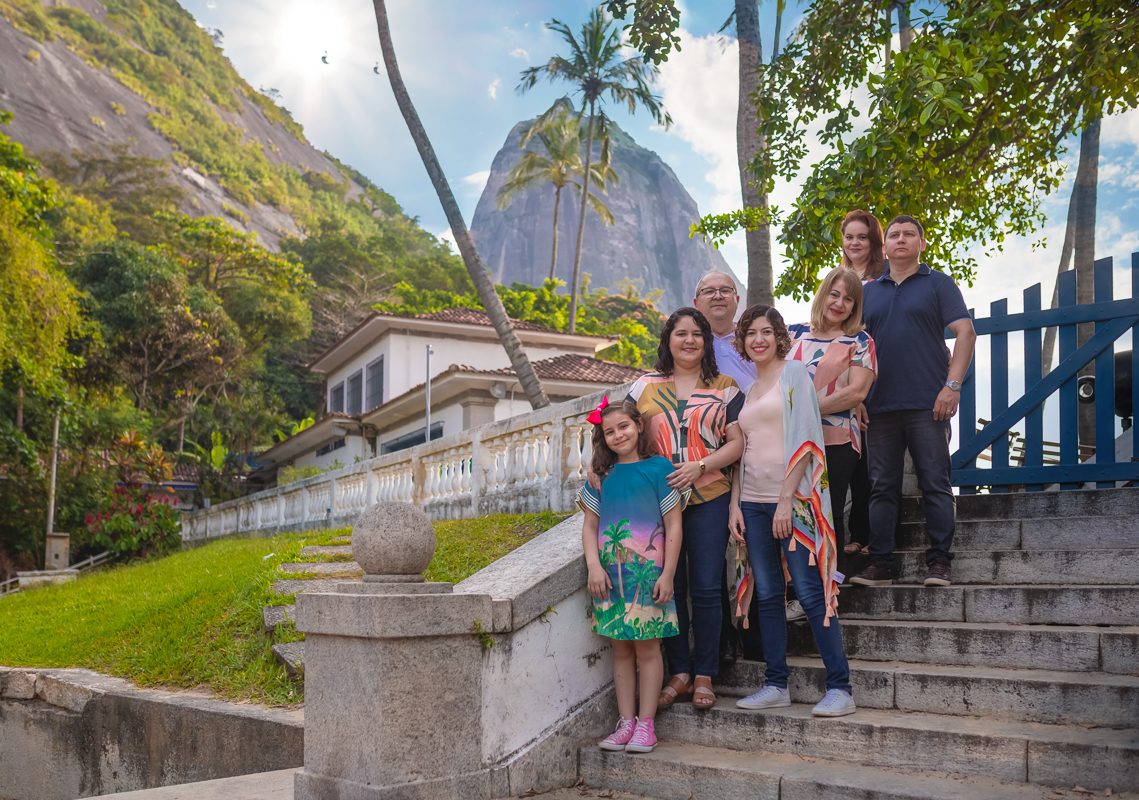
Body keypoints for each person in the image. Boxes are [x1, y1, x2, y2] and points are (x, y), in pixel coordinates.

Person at [728, 304, 855, 717]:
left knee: (811, 590)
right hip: (752, 503)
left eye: (766, 332)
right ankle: (775, 683)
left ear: (779, 336)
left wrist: (785, 499)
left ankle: (841, 688)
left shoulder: (794, 373)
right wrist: (736, 503)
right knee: (767, 595)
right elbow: (744, 451)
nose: (758, 339)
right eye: (751, 333)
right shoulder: (748, 390)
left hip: (793, 503)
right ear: (743, 341)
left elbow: (804, 437)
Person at [627, 308, 745, 711]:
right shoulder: (643, 386)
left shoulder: (725, 387)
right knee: (670, 588)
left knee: (708, 587)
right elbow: (614, 431)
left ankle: (705, 673)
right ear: (668, 339)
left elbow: (737, 444)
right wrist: (596, 467)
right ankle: (679, 672)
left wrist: (700, 466)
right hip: (656, 504)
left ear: (707, 340)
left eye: (697, 333)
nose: (690, 340)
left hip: (709, 497)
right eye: (681, 334)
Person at [851, 215, 977, 588]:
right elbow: (854, 347)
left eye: (909, 234)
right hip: (879, 405)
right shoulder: (868, 291)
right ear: (884, 246)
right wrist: (857, 396)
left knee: (935, 483)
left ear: (921, 243)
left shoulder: (938, 283)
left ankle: (940, 563)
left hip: (929, 402)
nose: (901, 239)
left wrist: (952, 385)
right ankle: (881, 564)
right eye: (894, 235)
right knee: (882, 487)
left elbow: (965, 333)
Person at [578, 398, 684, 754]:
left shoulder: (659, 469)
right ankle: (626, 723)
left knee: (648, 647)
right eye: (608, 431)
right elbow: (590, 525)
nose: (617, 435)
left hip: (647, 573)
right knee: (620, 647)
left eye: (623, 426)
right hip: (609, 574)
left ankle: (647, 726)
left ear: (639, 426)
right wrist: (594, 565)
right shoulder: (601, 477)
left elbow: (673, 524)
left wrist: (668, 573)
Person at [787, 267, 877, 572]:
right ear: (823, 294)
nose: (839, 303)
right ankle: (797, 586)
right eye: (834, 294)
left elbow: (856, 391)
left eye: (849, 299)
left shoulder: (860, 341)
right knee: (794, 507)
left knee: (828, 508)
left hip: (836, 441)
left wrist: (805, 411)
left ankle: (831, 584)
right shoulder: (792, 334)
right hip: (790, 438)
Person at [692, 270, 759, 658]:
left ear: (737, 299)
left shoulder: (753, 336)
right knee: (713, 554)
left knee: (763, 544)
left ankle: (762, 633)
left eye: (725, 290)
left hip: (762, 450)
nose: (717, 296)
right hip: (712, 456)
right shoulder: (693, 342)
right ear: (697, 301)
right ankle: (725, 639)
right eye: (708, 291)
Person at [837, 210, 886, 555]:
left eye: (862, 237)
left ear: (874, 242)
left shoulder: (884, 281)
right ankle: (856, 535)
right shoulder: (838, 281)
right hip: (847, 379)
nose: (855, 243)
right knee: (853, 459)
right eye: (849, 236)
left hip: (880, 376)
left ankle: (873, 537)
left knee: (876, 462)